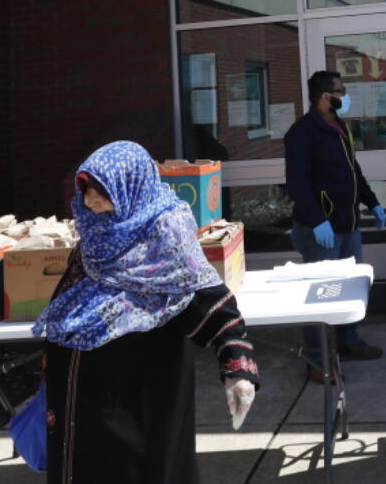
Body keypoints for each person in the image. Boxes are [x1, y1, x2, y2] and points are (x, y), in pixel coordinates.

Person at [34, 141, 260, 484]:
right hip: (82, 401)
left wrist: (237, 368)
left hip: (136, 398)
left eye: (101, 190)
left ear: (131, 186)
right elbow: (69, 295)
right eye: (85, 189)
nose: (90, 200)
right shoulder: (95, 234)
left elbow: (206, 296)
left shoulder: (164, 232)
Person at [284, 70, 386, 378]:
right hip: (320, 232)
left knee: (349, 288)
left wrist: (372, 201)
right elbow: (297, 183)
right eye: (341, 91)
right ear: (325, 97)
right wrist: (317, 221)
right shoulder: (302, 133)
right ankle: (317, 360)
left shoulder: (339, 126)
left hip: (347, 225)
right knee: (319, 295)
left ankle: (348, 340)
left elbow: (351, 170)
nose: (346, 96)